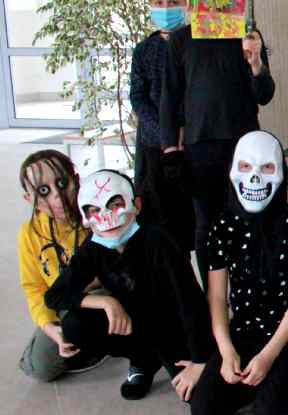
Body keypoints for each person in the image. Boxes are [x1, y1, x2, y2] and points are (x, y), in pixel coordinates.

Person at [188, 131, 288, 415]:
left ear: (280, 173)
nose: (254, 178)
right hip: (245, 330)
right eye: (246, 167)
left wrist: (268, 357)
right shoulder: (223, 226)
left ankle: (277, 378)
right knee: (205, 410)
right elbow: (217, 297)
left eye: (266, 168)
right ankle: (257, 380)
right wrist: (225, 351)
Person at [43, 169, 214, 401]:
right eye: (94, 210)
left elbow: (190, 301)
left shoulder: (159, 240)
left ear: (136, 205)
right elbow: (54, 296)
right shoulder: (93, 248)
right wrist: (106, 302)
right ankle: (142, 359)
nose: (106, 216)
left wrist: (200, 359)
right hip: (135, 323)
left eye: (114, 205)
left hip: (171, 327)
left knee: (199, 398)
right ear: (86, 216)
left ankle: (162, 356)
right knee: (75, 325)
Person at [161, 0, 274, 279]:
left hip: (244, 143)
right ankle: (213, 293)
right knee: (206, 222)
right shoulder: (180, 40)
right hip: (199, 144)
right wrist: (170, 149)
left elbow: (264, 94)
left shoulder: (246, 35)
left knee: (248, 215)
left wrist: (255, 62)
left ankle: (248, 286)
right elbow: (170, 97)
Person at [15, 150, 103, 381]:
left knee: (84, 320)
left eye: (62, 183)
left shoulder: (97, 214)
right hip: (62, 303)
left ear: (76, 180)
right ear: (29, 199)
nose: (57, 196)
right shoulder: (29, 234)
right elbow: (34, 287)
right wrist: (48, 326)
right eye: (43, 191)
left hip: (100, 296)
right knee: (41, 368)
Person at [130, 0, 194, 251]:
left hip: (191, 144)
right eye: (159, 3)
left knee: (193, 221)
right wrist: (165, 136)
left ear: (186, 4)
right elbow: (138, 97)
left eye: (172, 2)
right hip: (154, 148)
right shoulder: (143, 50)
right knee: (160, 224)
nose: (165, 9)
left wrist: (184, 133)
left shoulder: (197, 44)